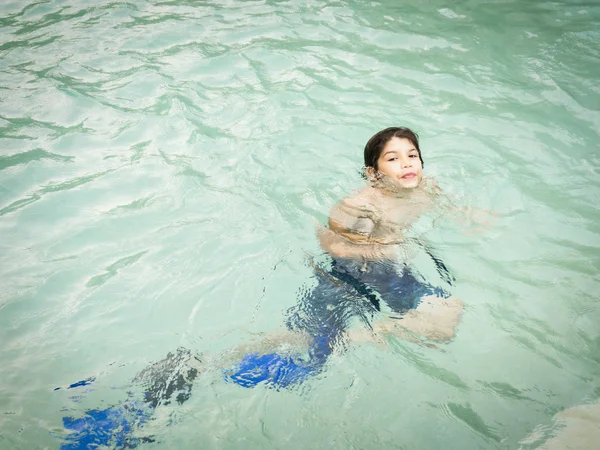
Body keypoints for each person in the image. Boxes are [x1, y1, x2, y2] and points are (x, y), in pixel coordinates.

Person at [59, 127, 474, 448]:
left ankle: (214, 361)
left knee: (439, 323)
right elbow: (329, 240)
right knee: (315, 350)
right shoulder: (361, 202)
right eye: (393, 157)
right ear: (372, 171)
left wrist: (473, 217)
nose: (407, 163)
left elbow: (443, 204)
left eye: (413, 155)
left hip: (388, 274)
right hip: (350, 275)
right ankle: (191, 370)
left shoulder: (422, 187)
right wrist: (373, 248)